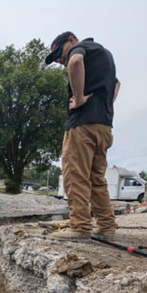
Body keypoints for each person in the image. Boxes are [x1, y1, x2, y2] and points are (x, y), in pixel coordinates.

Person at [45, 32, 121, 241]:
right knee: (96, 178)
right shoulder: (105, 56)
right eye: (56, 58)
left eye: (59, 52)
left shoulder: (81, 49)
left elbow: (75, 62)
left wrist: (78, 99)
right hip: (103, 126)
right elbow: (116, 85)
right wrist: (103, 106)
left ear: (71, 39)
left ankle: (79, 227)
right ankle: (106, 226)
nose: (60, 60)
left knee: (75, 175)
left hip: (83, 125)